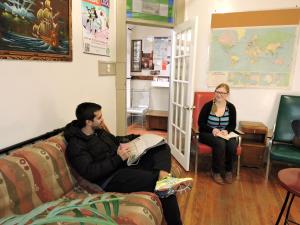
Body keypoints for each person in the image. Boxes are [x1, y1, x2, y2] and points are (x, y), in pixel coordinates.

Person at [64, 102, 193, 225]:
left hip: (124, 163)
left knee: (161, 146)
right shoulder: (76, 146)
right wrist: (117, 159)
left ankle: (163, 174)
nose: (102, 119)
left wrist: (137, 138)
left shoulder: (98, 132)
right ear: (88, 122)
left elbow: (115, 140)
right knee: (163, 185)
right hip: (111, 178)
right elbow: (90, 172)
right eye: (99, 117)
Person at [198, 83, 237, 185]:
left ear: (227, 94)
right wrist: (212, 129)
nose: (219, 94)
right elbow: (200, 123)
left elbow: (232, 125)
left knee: (232, 145)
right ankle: (216, 172)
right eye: (217, 91)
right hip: (207, 133)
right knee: (220, 143)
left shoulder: (231, 107)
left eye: (222, 93)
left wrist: (226, 130)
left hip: (224, 134)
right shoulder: (208, 106)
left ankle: (228, 171)